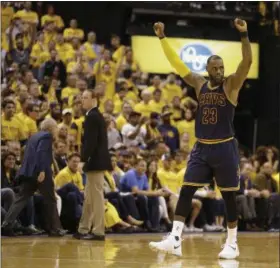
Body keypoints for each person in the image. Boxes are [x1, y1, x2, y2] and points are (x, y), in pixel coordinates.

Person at [149, 19, 252, 259]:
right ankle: (175, 239)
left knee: (228, 196)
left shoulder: (231, 85)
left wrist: (244, 34)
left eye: (222, 67)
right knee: (186, 190)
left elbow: (247, 62)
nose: (220, 71)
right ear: (207, 70)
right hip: (201, 148)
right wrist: (162, 38)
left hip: (225, 147)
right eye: (215, 68)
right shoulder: (199, 84)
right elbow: (177, 64)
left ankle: (233, 243)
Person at [1, 118, 65, 237]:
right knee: (50, 199)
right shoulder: (47, 136)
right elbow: (41, 152)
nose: (57, 130)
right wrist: (41, 170)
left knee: (21, 199)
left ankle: (7, 224)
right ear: (51, 128)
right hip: (40, 172)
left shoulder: (34, 137)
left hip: (28, 172)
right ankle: (55, 229)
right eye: (56, 127)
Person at [73, 89, 112, 240]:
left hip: (95, 162)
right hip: (95, 162)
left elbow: (90, 142)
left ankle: (98, 231)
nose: (82, 100)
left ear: (94, 99)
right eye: (82, 97)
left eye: (86, 97)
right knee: (89, 197)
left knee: (96, 198)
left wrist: (83, 159)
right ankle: (83, 229)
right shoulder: (93, 115)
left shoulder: (93, 116)